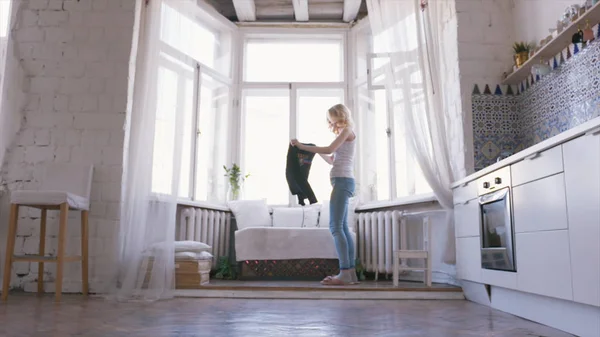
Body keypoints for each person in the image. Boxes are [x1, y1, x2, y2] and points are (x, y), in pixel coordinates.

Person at [290, 103, 357, 285]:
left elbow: (328, 149)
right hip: (341, 181)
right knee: (342, 228)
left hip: (343, 182)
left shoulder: (347, 130)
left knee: (335, 227)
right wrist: (311, 149)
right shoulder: (343, 134)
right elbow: (330, 159)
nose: (330, 123)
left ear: (339, 116)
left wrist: (304, 146)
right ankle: (350, 274)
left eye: (331, 119)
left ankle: (344, 273)